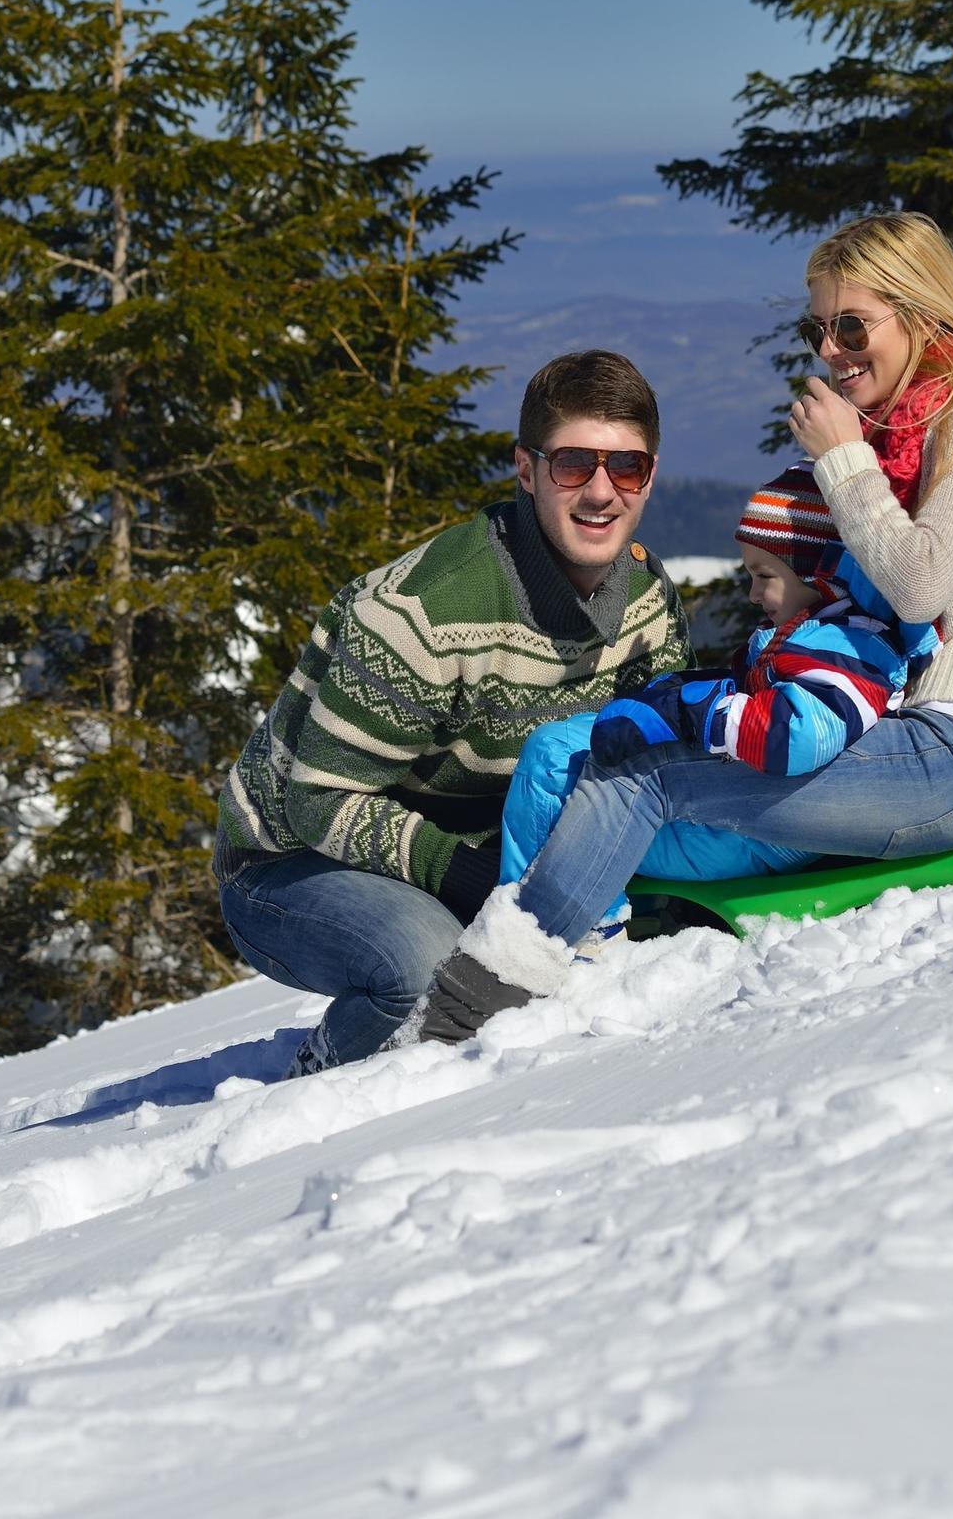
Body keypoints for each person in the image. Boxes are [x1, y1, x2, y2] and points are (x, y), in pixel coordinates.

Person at [409, 212, 953, 1044]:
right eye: (818, 330)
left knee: (641, 776)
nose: (830, 351)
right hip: (925, 744)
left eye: (850, 326)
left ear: (921, 313)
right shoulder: (913, 435)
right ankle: (573, 958)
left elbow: (916, 586)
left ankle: (480, 1004)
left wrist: (844, 459)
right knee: (611, 769)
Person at [211, 350, 691, 1074]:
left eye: (626, 467)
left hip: (488, 849)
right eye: (573, 465)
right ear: (525, 471)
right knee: (435, 972)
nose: (601, 492)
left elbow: (654, 761)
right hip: (290, 859)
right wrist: (474, 878)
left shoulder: (648, 604)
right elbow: (319, 800)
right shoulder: (424, 613)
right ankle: (314, 1091)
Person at [489, 463, 939, 921]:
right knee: (564, 745)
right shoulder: (822, 635)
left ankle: (546, 925)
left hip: (758, 833)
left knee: (553, 763)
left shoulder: (847, 646)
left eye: (764, 575)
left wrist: (688, 712)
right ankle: (548, 915)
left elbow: (797, 735)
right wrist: (686, 694)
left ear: (820, 574)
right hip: (751, 813)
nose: (752, 593)